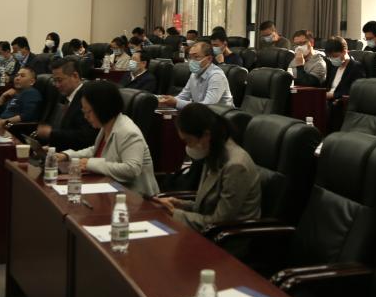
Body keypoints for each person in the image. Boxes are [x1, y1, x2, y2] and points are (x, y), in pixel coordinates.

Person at [154, 103, 261, 231]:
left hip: (228, 237)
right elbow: (206, 206)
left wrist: (175, 213)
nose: (187, 146)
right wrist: (178, 204)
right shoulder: (213, 152)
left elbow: (219, 222)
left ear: (206, 135)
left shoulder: (236, 166)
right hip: (209, 229)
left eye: (188, 140)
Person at [56, 81, 159, 195]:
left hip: (136, 197)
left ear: (103, 108)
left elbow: (132, 169)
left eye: (88, 111)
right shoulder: (107, 125)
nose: (85, 117)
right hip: (112, 188)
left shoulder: (128, 132)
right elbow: (97, 150)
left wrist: (90, 164)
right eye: (83, 112)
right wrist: (67, 155)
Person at [33, 57, 98, 151]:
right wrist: (51, 147)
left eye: (59, 80)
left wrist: (51, 133)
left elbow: (86, 136)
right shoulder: (63, 98)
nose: (56, 85)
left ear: (75, 76)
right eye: (54, 80)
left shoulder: (88, 98)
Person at [158, 42, 234, 108]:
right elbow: (183, 96)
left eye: (196, 57)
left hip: (220, 117)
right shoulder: (194, 74)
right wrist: (167, 100)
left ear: (209, 59)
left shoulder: (216, 76)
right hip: (201, 114)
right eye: (190, 57)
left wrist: (176, 103)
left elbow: (208, 106)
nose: (192, 60)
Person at [322, 37, 366, 101]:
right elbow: (327, 86)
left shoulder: (356, 68)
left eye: (335, 56)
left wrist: (333, 95)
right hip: (326, 100)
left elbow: (356, 91)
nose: (332, 59)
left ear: (345, 51)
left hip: (340, 101)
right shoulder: (333, 66)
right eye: (330, 57)